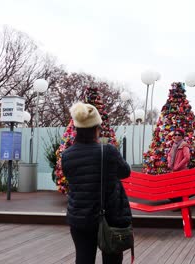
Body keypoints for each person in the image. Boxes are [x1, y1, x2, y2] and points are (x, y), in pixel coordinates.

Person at [61, 102, 132, 264]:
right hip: (109, 217)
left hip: (79, 217)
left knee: (83, 258)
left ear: (77, 130)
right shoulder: (108, 151)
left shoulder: (67, 155)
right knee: (112, 258)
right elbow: (125, 172)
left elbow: (71, 178)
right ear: (96, 129)